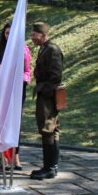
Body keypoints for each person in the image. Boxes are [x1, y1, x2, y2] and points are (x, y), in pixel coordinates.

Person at [29, 22, 64, 180]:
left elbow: (56, 76)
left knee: (48, 130)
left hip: (48, 96)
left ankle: (49, 167)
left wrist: (45, 91)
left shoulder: (52, 49)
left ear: (43, 35)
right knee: (50, 130)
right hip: (45, 93)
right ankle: (51, 166)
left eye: (35, 34)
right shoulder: (44, 49)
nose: (32, 37)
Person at [0, 24, 32, 170]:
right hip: (3, 89)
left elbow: (27, 70)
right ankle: (3, 155)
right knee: (3, 122)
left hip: (18, 89)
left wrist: (20, 80)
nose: (8, 36)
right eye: (6, 33)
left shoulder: (23, 49)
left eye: (11, 33)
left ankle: (16, 156)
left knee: (16, 123)